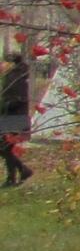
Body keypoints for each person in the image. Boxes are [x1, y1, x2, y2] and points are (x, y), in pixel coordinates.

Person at [0, 51, 31, 187]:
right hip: (10, 116)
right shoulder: (11, 75)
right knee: (4, 148)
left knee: (4, 147)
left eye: (5, 62)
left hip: (15, 116)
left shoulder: (17, 76)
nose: (3, 64)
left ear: (12, 63)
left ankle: (13, 178)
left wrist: (5, 105)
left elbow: (20, 98)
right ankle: (22, 171)